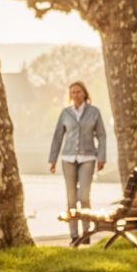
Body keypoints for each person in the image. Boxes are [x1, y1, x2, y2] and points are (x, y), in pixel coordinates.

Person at [47, 82, 108, 242]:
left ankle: (86, 233)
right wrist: (52, 160)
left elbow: (101, 135)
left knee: (84, 196)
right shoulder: (66, 113)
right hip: (68, 158)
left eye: (78, 92)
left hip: (88, 157)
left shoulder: (94, 112)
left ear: (84, 93)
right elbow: (58, 137)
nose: (75, 95)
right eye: (72, 92)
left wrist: (102, 157)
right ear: (70, 95)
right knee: (71, 198)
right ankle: (74, 235)